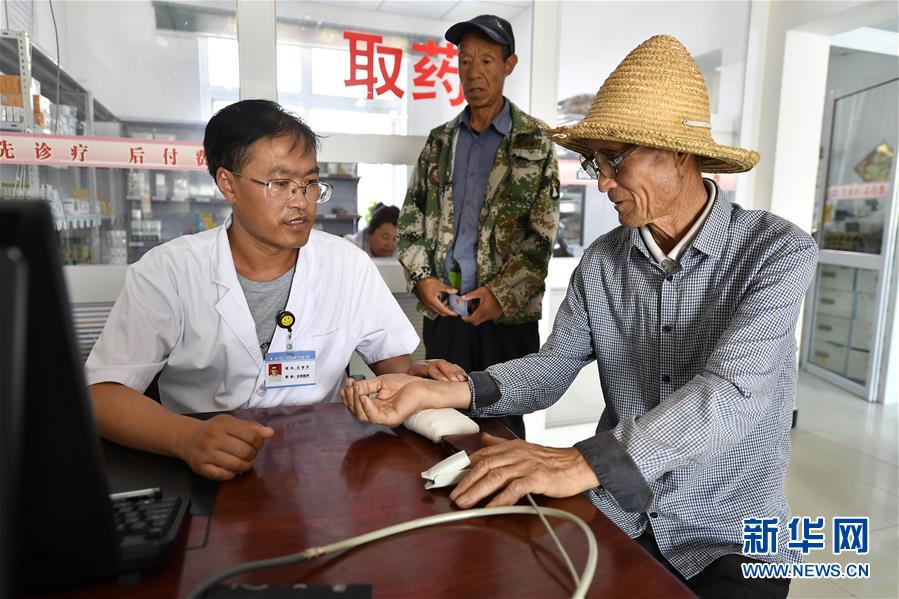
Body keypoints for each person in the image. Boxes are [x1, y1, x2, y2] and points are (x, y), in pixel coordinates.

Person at [344, 35, 818, 598]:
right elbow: (552, 368)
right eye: (595, 162)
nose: (602, 182)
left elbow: (733, 391)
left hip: (731, 535)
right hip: (625, 516)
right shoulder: (603, 261)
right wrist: (446, 391)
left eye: (615, 159)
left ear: (678, 153)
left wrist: (585, 461)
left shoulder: (776, 251)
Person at [86, 100, 461, 482]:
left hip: (322, 470)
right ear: (228, 184)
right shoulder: (168, 271)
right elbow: (101, 395)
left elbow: (393, 365)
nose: (301, 201)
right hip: (203, 471)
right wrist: (187, 437)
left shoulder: (347, 265)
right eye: (280, 184)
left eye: (310, 183)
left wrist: (414, 377)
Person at [397, 14, 560, 439]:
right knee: (439, 421)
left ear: (509, 65)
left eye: (486, 60)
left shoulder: (535, 142)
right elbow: (411, 218)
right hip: (446, 309)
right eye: (465, 61)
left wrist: (501, 295)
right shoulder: (440, 141)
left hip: (507, 318)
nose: (473, 72)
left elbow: (541, 238)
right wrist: (422, 279)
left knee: (503, 428)